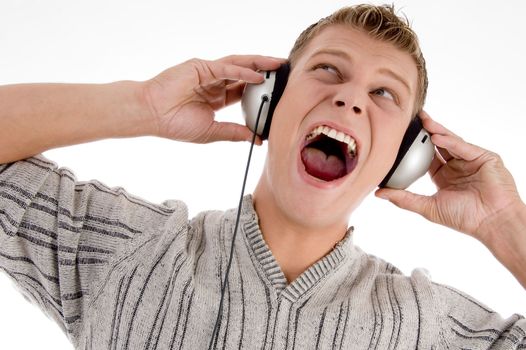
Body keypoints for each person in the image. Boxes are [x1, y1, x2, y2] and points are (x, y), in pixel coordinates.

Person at [0, 3, 525, 349]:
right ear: (266, 104)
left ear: (405, 158)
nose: (348, 98)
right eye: (328, 70)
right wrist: (143, 104)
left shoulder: (422, 326)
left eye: (384, 94)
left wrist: (504, 223)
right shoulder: (128, 249)